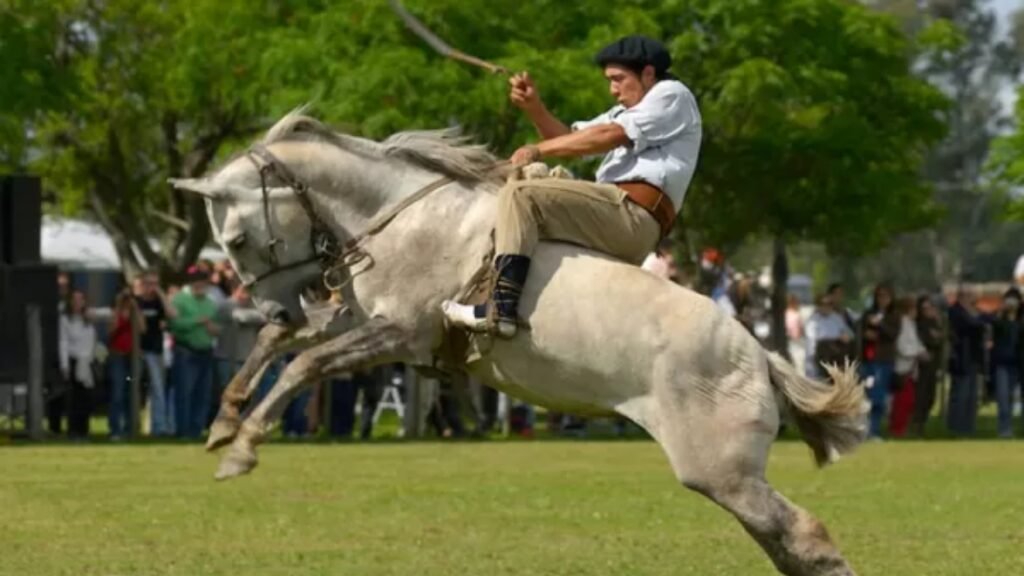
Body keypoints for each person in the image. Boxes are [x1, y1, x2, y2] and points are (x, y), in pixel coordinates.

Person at [442, 35, 702, 338]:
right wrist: (534, 107)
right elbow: (570, 137)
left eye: (619, 79)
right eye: (609, 80)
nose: (612, 89)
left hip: (631, 214)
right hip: (613, 210)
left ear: (647, 73)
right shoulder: (626, 113)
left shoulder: (671, 94)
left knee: (521, 195)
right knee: (532, 175)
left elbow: (607, 135)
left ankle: (501, 308)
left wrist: (539, 148)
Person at [168, 267, 220, 439]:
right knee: (185, 392)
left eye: (203, 281)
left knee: (203, 393)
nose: (200, 284)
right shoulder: (179, 300)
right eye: (197, 281)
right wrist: (197, 321)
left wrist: (213, 328)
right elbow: (175, 325)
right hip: (186, 351)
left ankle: (196, 430)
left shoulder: (210, 302)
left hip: (206, 350)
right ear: (190, 283)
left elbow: (217, 326)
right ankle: (183, 430)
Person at [133, 272, 176, 436]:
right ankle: (133, 426)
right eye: (148, 283)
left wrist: (161, 294)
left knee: (158, 389)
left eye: (155, 284)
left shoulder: (158, 301)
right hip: (136, 351)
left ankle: (158, 427)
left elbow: (172, 314)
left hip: (155, 350)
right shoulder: (135, 301)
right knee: (134, 389)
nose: (151, 287)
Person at [859, 284, 900, 440]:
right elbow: (862, 332)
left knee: (879, 396)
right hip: (869, 360)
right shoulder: (868, 314)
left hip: (883, 361)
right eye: (879, 296)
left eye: (886, 296)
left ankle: (874, 430)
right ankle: (864, 430)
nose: (882, 299)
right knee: (868, 394)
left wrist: (879, 325)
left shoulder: (894, 316)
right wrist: (867, 334)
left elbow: (893, 334)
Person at [947, 287, 986, 437]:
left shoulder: (973, 312)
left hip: (973, 358)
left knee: (971, 395)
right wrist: (981, 320)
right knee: (961, 394)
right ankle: (957, 427)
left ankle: (969, 427)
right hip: (961, 358)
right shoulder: (956, 311)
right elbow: (973, 325)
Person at [58, 290, 97, 440]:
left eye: (80, 299)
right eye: (74, 299)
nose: (77, 302)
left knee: (86, 398)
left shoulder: (88, 319)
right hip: (74, 360)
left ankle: (84, 430)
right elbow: (63, 342)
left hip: (87, 362)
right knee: (74, 398)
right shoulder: (65, 319)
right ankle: (73, 431)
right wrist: (65, 365)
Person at [107, 289, 143, 439]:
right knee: (118, 393)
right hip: (118, 357)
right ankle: (115, 429)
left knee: (131, 392)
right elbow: (111, 329)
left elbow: (142, 328)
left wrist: (135, 309)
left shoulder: (135, 312)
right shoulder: (114, 313)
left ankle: (130, 428)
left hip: (132, 359)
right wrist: (118, 309)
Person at [891, 297, 928, 438]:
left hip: (912, 367)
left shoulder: (910, 324)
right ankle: (897, 429)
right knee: (903, 400)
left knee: (909, 400)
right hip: (903, 367)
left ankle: (902, 427)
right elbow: (902, 347)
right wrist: (917, 353)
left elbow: (916, 342)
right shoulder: (902, 324)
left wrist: (922, 350)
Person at [990, 288, 1021, 438]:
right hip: (1002, 363)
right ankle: (1004, 429)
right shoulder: (999, 320)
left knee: (1010, 397)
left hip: (1017, 364)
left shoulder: (1020, 321)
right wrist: (1002, 312)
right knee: (1003, 398)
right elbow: (993, 324)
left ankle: (1011, 428)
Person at [911, 295, 944, 436]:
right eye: (924, 308)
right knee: (921, 396)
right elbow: (930, 340)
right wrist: (935, 338)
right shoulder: (918, 324)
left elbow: (942, 338)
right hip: (922, 364)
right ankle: (917, 425)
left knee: (931, 396)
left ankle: (922, 422)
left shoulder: (936, 322)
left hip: (934, 363)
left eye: (930, 307)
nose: (928, 310)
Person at [804, 293, 854, 379]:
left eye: (829, 304)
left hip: (837, 361)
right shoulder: (813, 321)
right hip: (821, 361)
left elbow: (850, 334)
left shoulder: (836, 318)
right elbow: (812, 342)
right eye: (823, 304)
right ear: (818, 305)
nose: (826, 306)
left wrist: (846, 336)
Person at [785, 294, 806, 375]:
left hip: (788, 342)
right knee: (800, 367)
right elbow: (800, 332)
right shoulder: (797, 315)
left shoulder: (784, 315)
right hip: (797, 343)